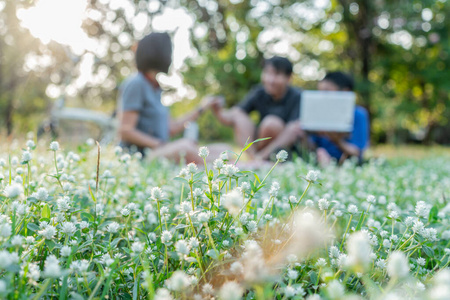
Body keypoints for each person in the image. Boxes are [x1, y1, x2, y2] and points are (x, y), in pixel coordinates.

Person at [117, 32, 220, 164]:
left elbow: (171, 128)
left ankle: (231, 165)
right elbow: (125, 130)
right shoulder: (136, 83)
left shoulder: (155, 88)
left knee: (223, 149)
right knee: (185, 148)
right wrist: (160, 144)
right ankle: (239, 166)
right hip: (140, 156)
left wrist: (201, 108)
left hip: (159, 150)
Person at [210, 56, 304, 161]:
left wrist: (262, 155)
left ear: (289, 78)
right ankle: (253, 158)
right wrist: (217, 109)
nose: (271, 80)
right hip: (260, 143)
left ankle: (260, 159)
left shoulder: (298, 96)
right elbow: (232, 116)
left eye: (277, 74)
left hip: (285, 148)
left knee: (272, 123)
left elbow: (294, 130)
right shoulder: (259, 92)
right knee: (239, 115)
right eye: (267, 73)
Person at [309, 71, 369, 166]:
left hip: (348, 164)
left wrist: (336, 140)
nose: (322, 97)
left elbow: (358, 152)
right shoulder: (318, 114)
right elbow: (310, 146)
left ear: (345, 91)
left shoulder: (358, 114)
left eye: (326, 92)